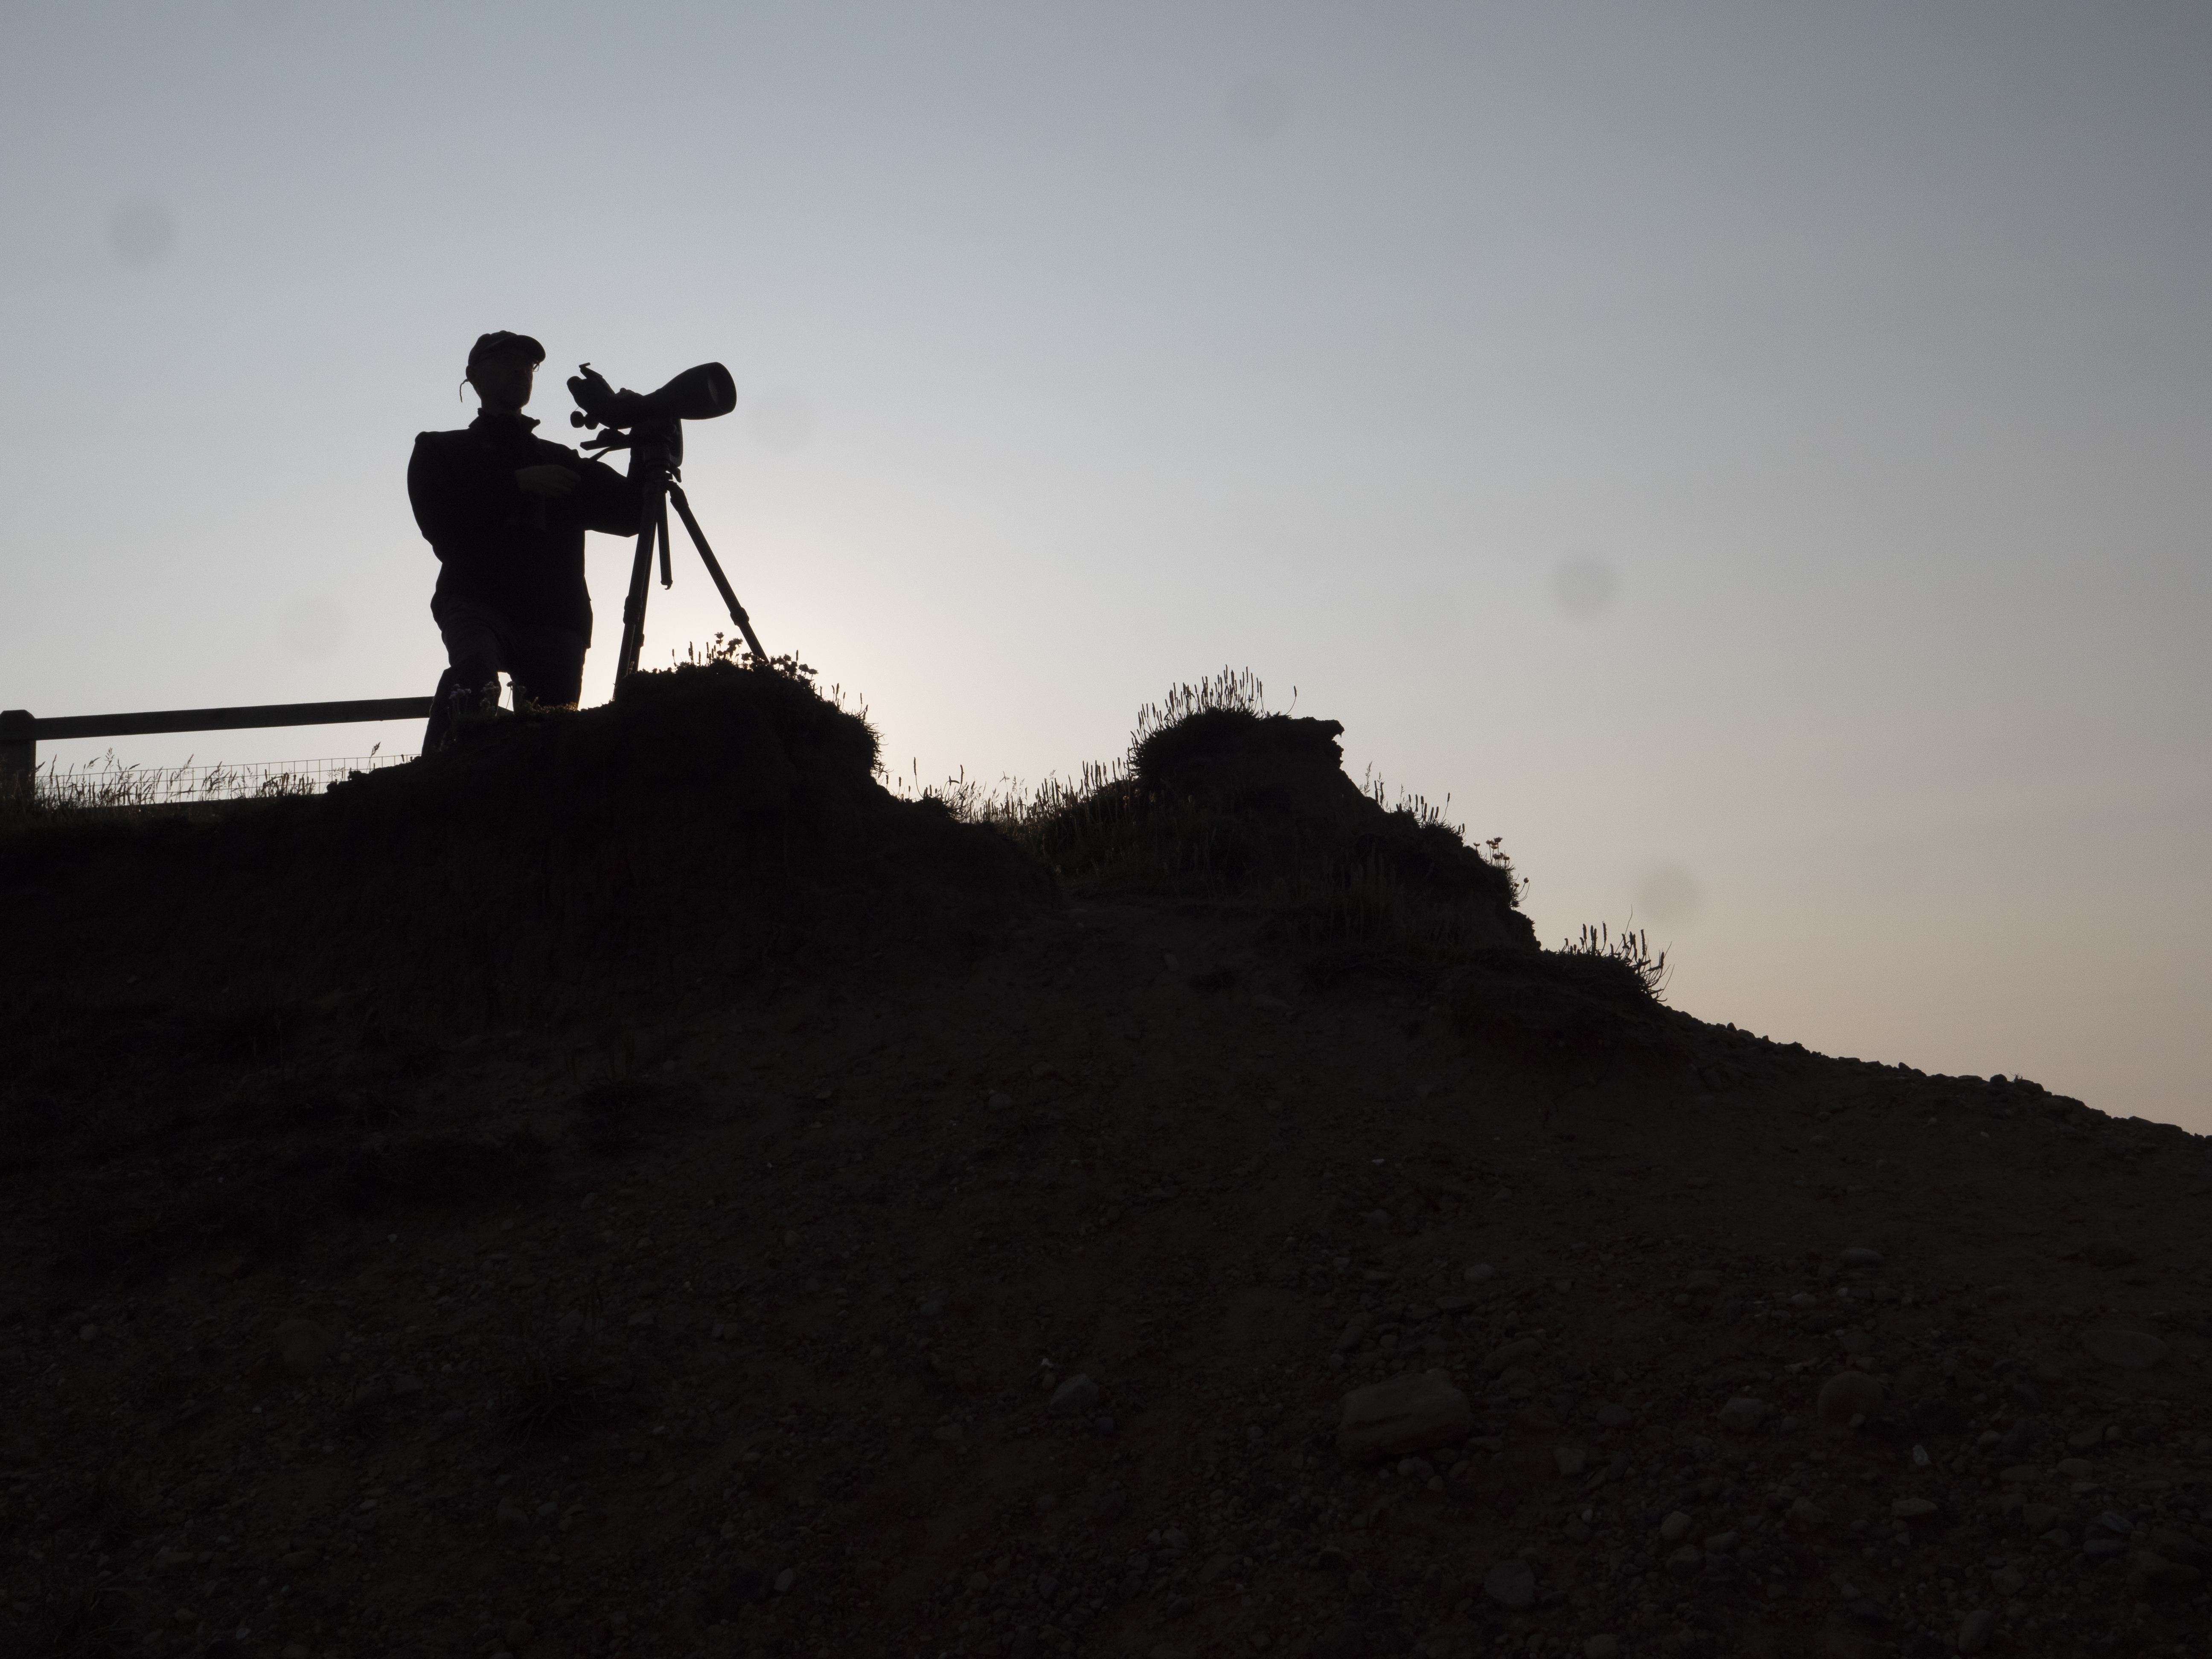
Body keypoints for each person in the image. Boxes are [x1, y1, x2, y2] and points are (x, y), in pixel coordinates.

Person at [408, 331, 644, 749]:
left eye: (527, 364)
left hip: (555, 618)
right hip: (476, 602)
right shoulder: (440, 451)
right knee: (474, 680)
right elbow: (440, 523)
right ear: (473, 376)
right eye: (504, 361)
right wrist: (515, 484)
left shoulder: (560, 460)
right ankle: (433, 789)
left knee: (551, 742)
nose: (520, 370)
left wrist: (647, 438)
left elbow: (632, 515)